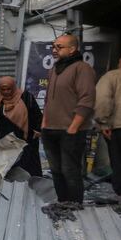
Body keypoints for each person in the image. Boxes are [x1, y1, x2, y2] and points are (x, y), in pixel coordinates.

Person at [41, 34, 96, 209]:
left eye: (59, 47)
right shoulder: (54, 69)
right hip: (50, 129)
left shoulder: (82, 68)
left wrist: (74, 127)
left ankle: (75, 204)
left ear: (72, 49)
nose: (54, 50)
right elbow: (48, 100)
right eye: (53, 46)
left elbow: (87, 100)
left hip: (71, 130)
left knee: (70, 169)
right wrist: (44, 123)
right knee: (56, 170)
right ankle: (63, 201)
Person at [94, 51, 121, 208]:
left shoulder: (111, 76)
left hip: (119, 127)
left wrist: (103, 123)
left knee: (118, 161)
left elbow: (102, 100)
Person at [0, 75, 43, 177]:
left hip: (26, 137)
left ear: (13, 87)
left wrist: (38, 130)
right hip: (7, 138)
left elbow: (37, 114)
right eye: (3, 89)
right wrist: (3, 109)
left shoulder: (26, 96)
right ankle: (10, 185)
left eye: (9, 89)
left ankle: (32, 184)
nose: (6, 92)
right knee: (9, 164)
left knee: (29, 165)